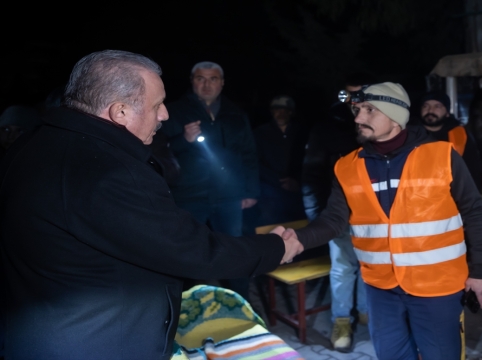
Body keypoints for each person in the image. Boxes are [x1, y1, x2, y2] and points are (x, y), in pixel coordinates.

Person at [0, 50, 303, 359]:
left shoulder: (31, 144)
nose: (164, 115)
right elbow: (193, 251)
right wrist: (275, 248)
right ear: (120, 112)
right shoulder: (110, 172)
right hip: (93, 342)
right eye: (157, 105)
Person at [285, 82, 482, 359]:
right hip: (380, 287)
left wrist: (481, 271)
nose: (358, 118)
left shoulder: (441, 155)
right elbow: (334, 220)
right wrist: (298, 240)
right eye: (358, 110)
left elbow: (475, 212)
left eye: (369, 111)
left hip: (437, 286)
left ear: (395, 117)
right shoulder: (347, 166)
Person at [160, 61, 259, 301]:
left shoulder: (236, 112)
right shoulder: (173, 110)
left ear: (222, 83)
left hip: (229, 196)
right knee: (186, 254)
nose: (207, 84)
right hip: (189, 195)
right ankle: (182, 313)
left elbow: (249, 152)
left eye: (213, 79)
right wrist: (183, 139)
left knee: (234, 252)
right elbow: (158, 152)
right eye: (201, 79)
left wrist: (251, 190)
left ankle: (242, 307)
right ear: (192, 81)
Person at [301, 74, 373, 352]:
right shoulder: (326, 127)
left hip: (374, 214)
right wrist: (316, 215)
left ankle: (366, 311)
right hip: (339, 213)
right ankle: (342, 320)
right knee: (343, 269)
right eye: (348, 95)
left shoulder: (378, 123)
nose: (353, 101)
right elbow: (312, 172)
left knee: (371, 265)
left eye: (359, 95)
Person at [253, 95, 309, 225]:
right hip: (269, 191)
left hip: (297, 190)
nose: (281, 113)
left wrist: (296, 181)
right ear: (272, 111)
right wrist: (278, 181)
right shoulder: (260, 133)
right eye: (277, 109)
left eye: (286, 110)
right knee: (271, 227)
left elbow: (309, 159)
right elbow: (255, 161)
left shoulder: (302, 132)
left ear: (291, 112)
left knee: (299, 227)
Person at [420, 91, 482, 190]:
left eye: (437, 106)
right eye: (425, 106)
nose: (430, 110)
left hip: (451, 197)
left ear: (447, 112)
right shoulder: (409, 133)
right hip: (416, 197)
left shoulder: (460, 134)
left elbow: (472, 170)